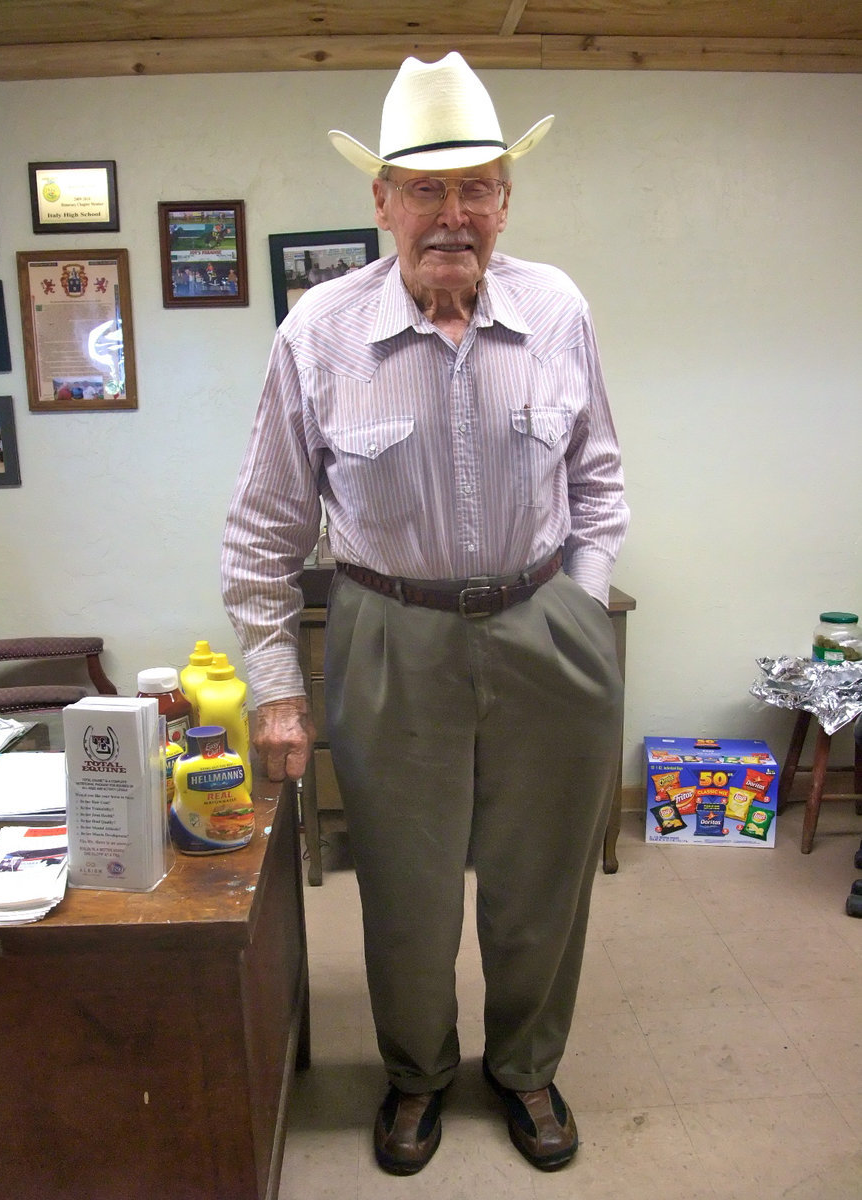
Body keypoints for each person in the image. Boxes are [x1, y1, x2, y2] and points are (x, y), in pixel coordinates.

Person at [221, 51, 628, 1177]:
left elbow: (599, 482)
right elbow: (261, 533)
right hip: (387, 634)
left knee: (542, 871)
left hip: (545, 618)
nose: (453, 213)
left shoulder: (558, 309)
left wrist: (580, 612)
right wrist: (277, 689)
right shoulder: (318, 334)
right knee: (402, 880)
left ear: (506, 197)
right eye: (426, 188)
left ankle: (527, 1065)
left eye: (477, 187)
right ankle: (416, 1072)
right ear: (382, 200)